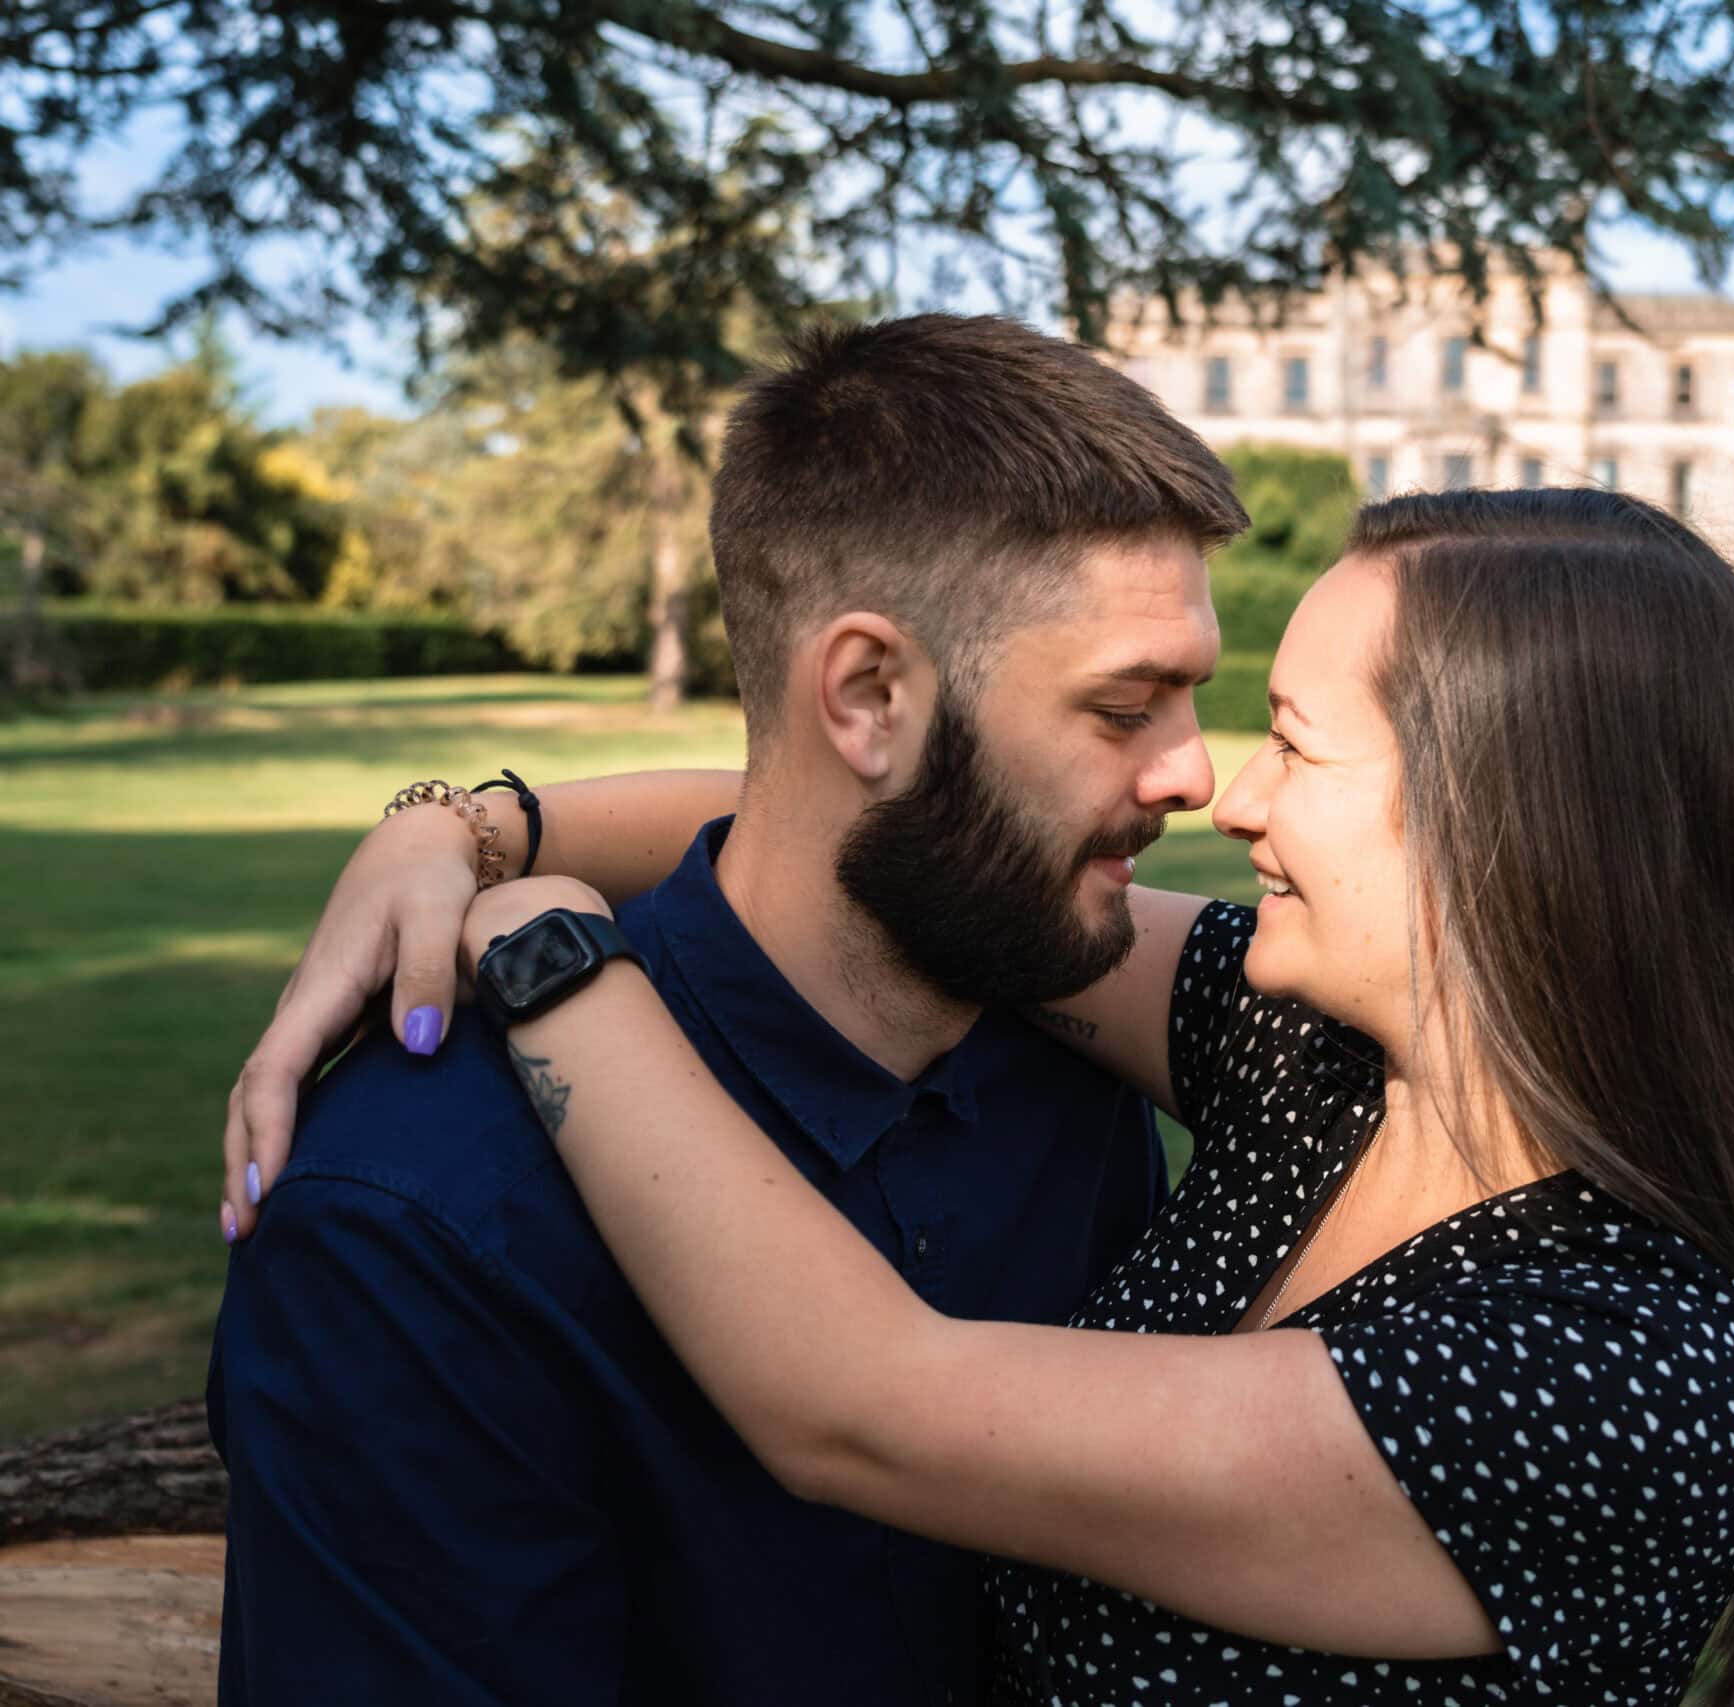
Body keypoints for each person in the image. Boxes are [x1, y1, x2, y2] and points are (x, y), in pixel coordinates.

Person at [230, 484, 1734, 1703]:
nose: (1224, 793)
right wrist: (461, 827)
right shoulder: (1321, 1066)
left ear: (1510, 834)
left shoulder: (1611, 1368)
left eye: (1296, 742)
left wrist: (544, 956)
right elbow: (881, 833)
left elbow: (857, 1400)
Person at [205, 313, 1251, 1705]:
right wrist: (470, 833)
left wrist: (486, 831)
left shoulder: (1062, 1040)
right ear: (870, 693)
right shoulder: (418, 1222)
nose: (1198, 777)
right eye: (1128, 708)